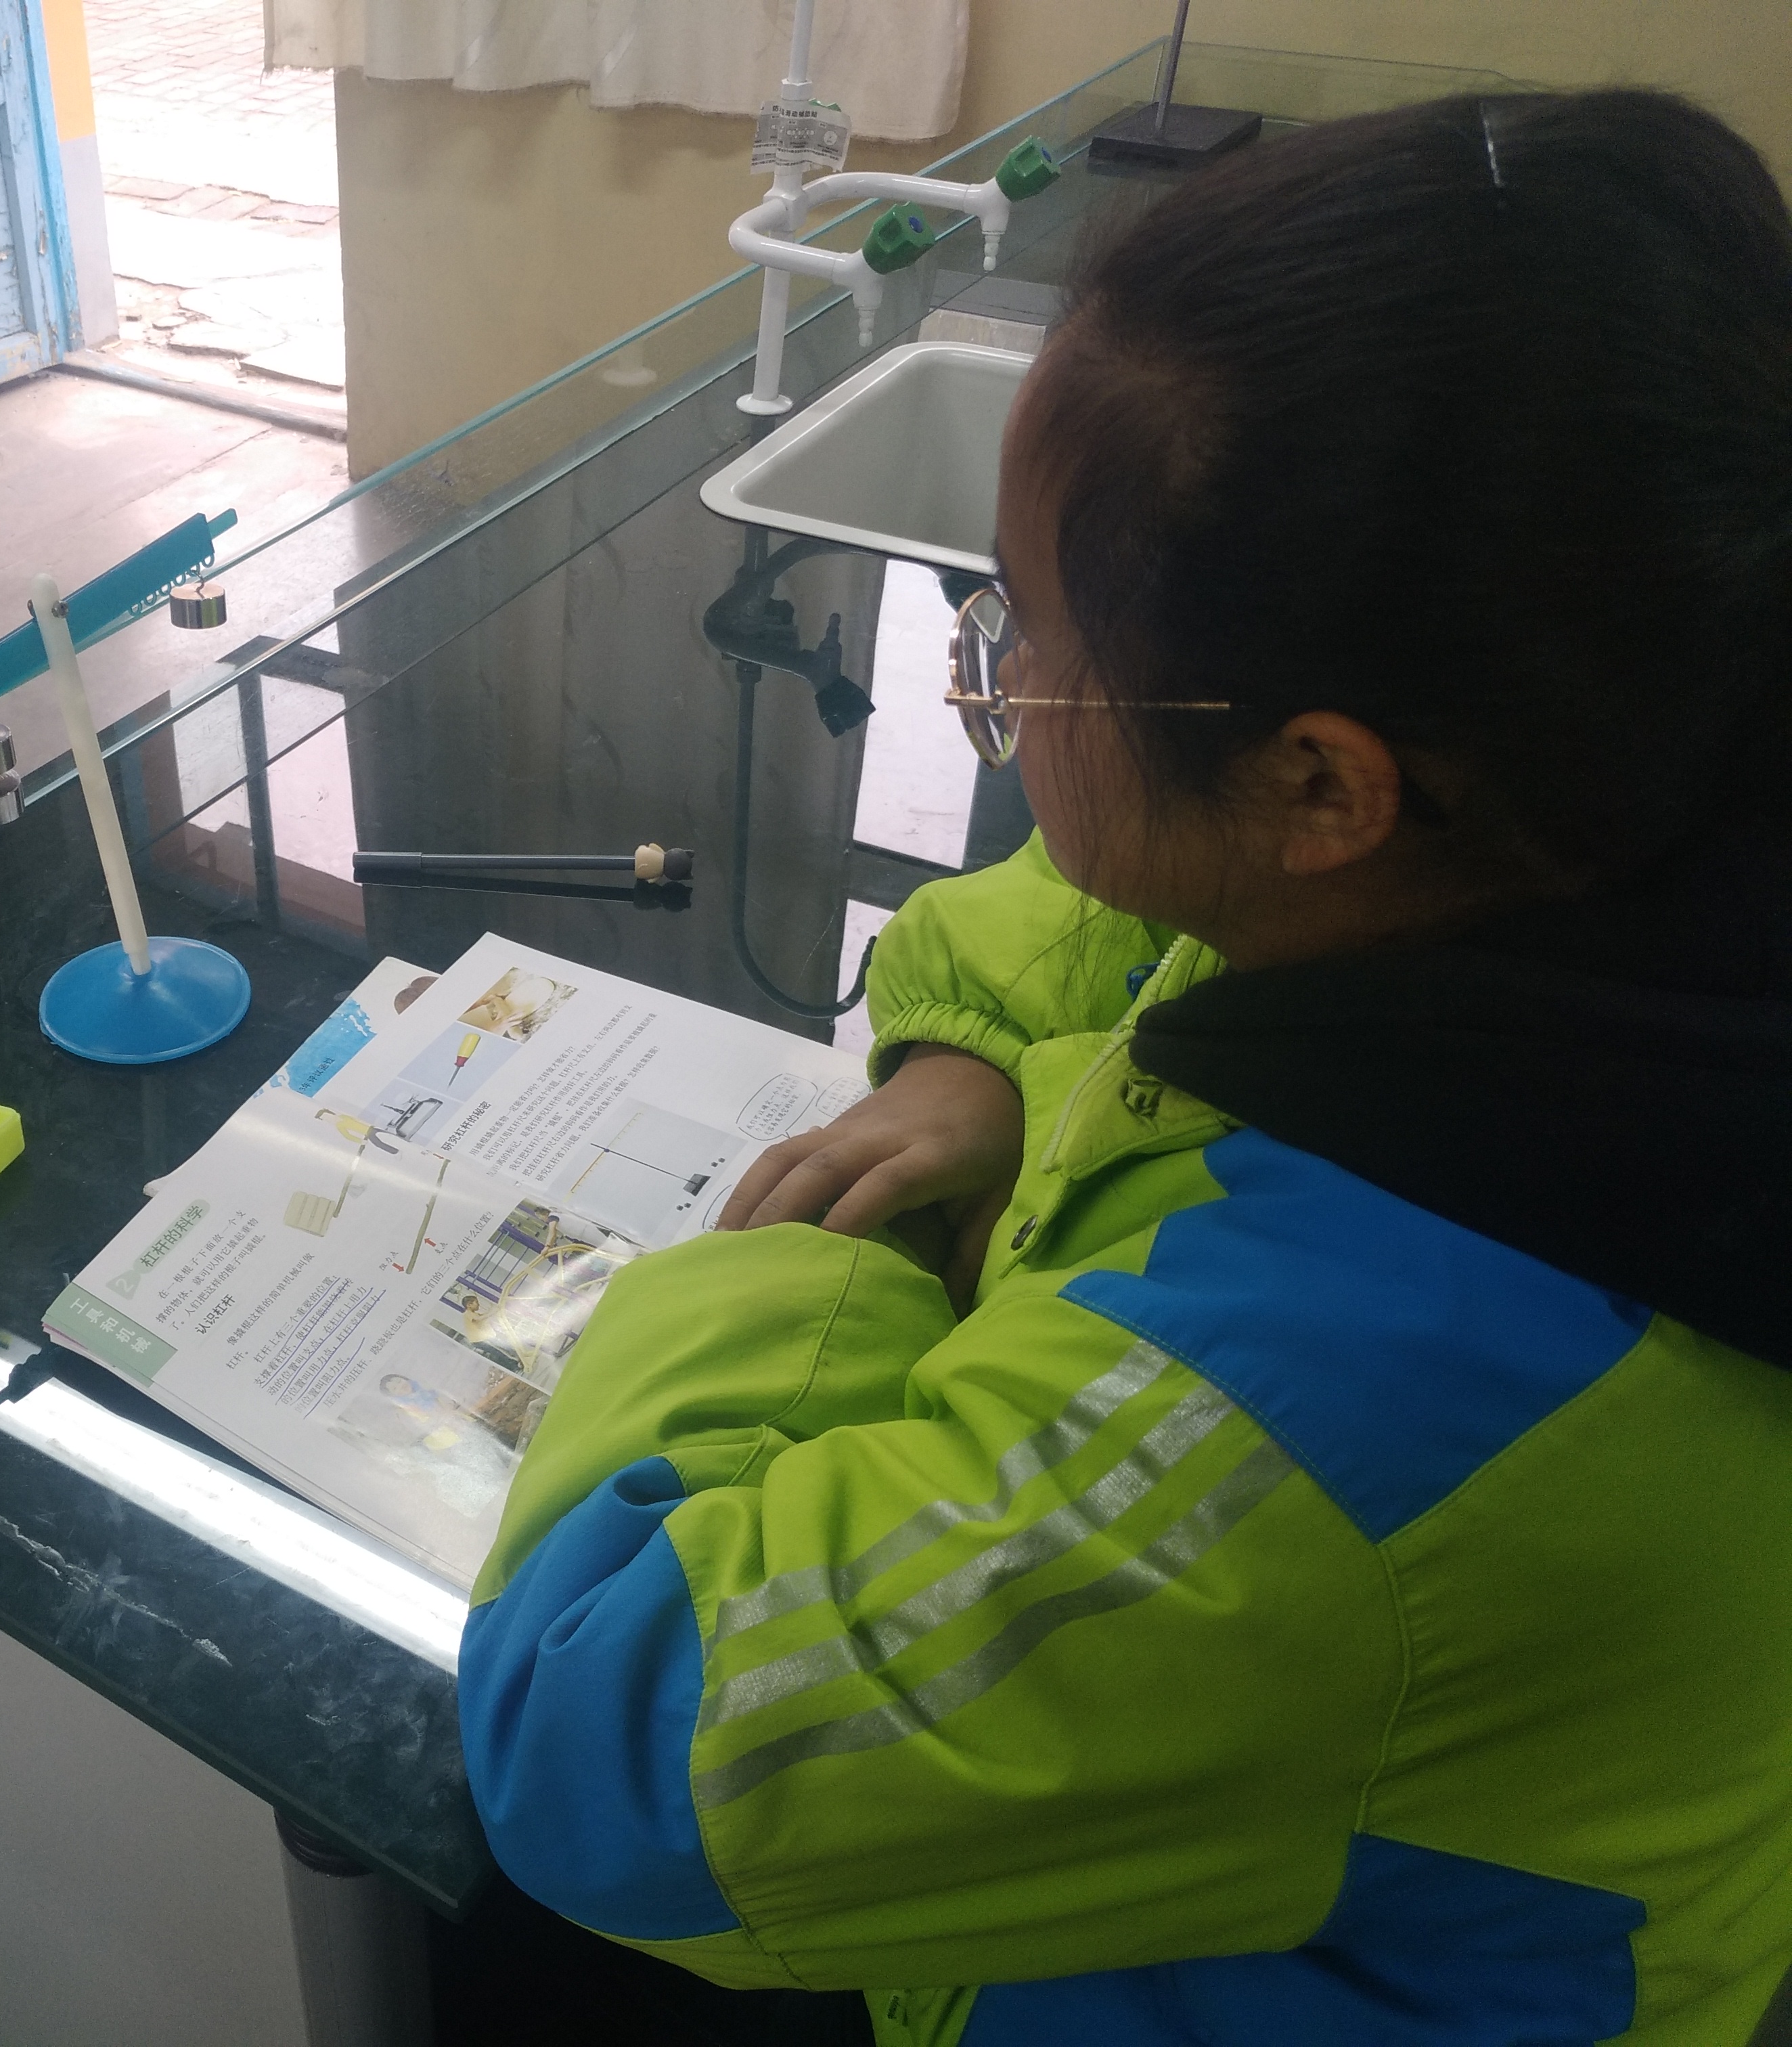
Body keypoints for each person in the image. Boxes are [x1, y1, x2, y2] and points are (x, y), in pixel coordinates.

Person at [455, 89, 1792, 2046]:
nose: (998, 682)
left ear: (1321, 783)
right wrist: (963, 1062)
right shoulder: (1615, 778)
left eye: (1035, 636)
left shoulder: (1345, 1415)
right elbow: (1135, 912)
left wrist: (821, 1268)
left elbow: (605, 1750)